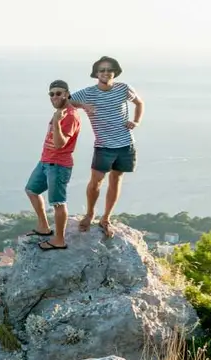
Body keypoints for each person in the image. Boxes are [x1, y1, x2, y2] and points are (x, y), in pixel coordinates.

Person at [70, 56, 145, 238]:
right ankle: (89, 214)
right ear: (96, 73)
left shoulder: (123, 88)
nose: (105, 73)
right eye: (101, 70)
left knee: (116, 180)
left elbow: (139, 103)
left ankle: (106, 218)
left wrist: (136, 121)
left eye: (108, 69)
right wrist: (83, 105)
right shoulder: (88, 93)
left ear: (115, 72)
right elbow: (65, 102)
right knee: (95, 182)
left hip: (125, 143)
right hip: (103, 145)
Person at [24, 80, 81, 251]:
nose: (55, 96)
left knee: (58, 202)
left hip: (58, 165)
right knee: (31, 190)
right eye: (52, 93)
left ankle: (59, 240)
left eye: (59, 93)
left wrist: (56, 121)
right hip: (45, 161)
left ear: (66, 94)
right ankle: (43, 227)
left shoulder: (70, 115)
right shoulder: (61, 112)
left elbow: (59, 144)